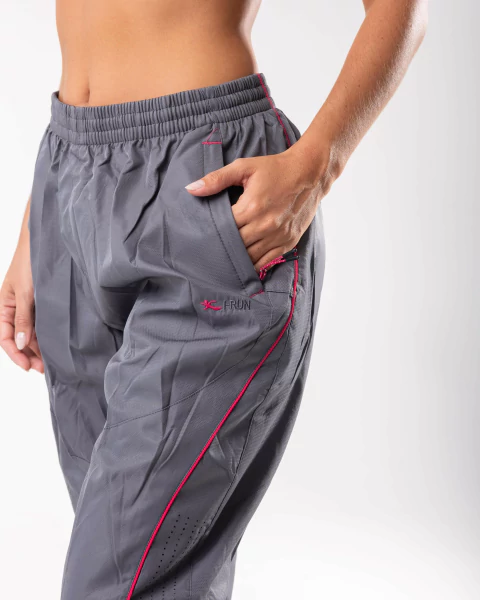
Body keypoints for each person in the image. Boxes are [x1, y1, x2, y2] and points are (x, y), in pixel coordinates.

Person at [0, 1, 428, 598]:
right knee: (149, 567)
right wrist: (36, 229)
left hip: (207, 183)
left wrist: (317, 165)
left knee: (114, 574)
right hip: (68, 180)